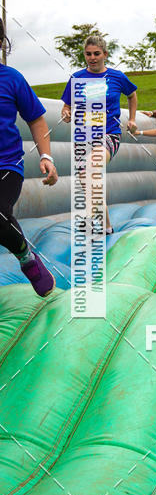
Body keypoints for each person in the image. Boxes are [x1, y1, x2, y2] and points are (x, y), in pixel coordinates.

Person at [0, 26, 58, 295]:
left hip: (6, 165)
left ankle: (27, 258)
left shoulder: (12, 79)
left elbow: (35, 118)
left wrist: (46, 156)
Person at [60, 35, 137, 234]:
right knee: (88, 181)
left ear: (105, 54)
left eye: (96, 53)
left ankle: (91, 218)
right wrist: (66, 113)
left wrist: (132, 119)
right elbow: (67, 105)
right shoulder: (77, 78)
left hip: (109, 134)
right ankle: (106, 226)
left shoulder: (117, 77)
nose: (92, 58)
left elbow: (132, 95)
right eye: (88, 54)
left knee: (92, 166)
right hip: (83, 136)